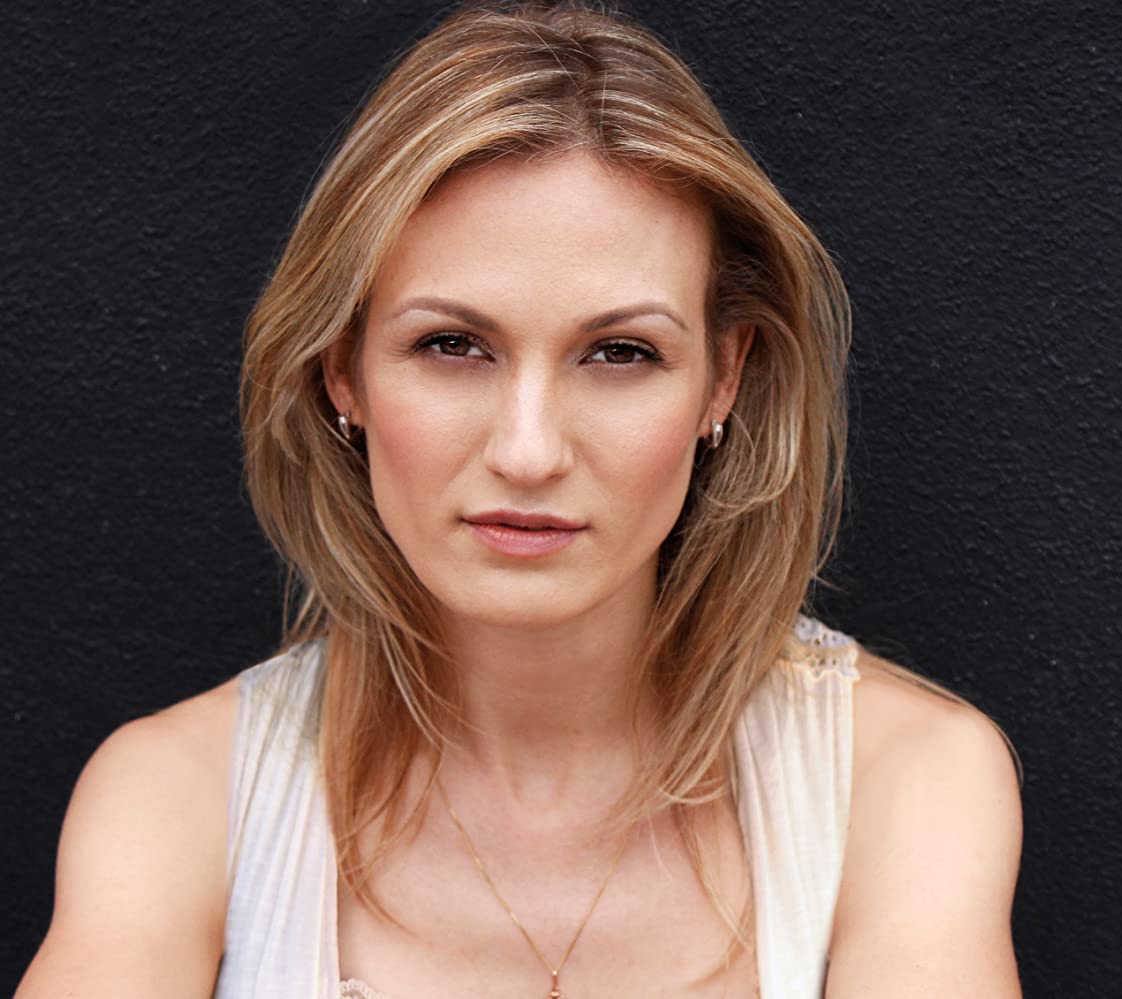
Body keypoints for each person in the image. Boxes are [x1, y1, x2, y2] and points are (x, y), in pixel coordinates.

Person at [17, 1, 1024, 996]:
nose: (529, 451)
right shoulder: (174, 803)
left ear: (723, 379)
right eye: (452, 345)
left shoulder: (902, 784)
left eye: (619, 353)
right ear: (341, 370)